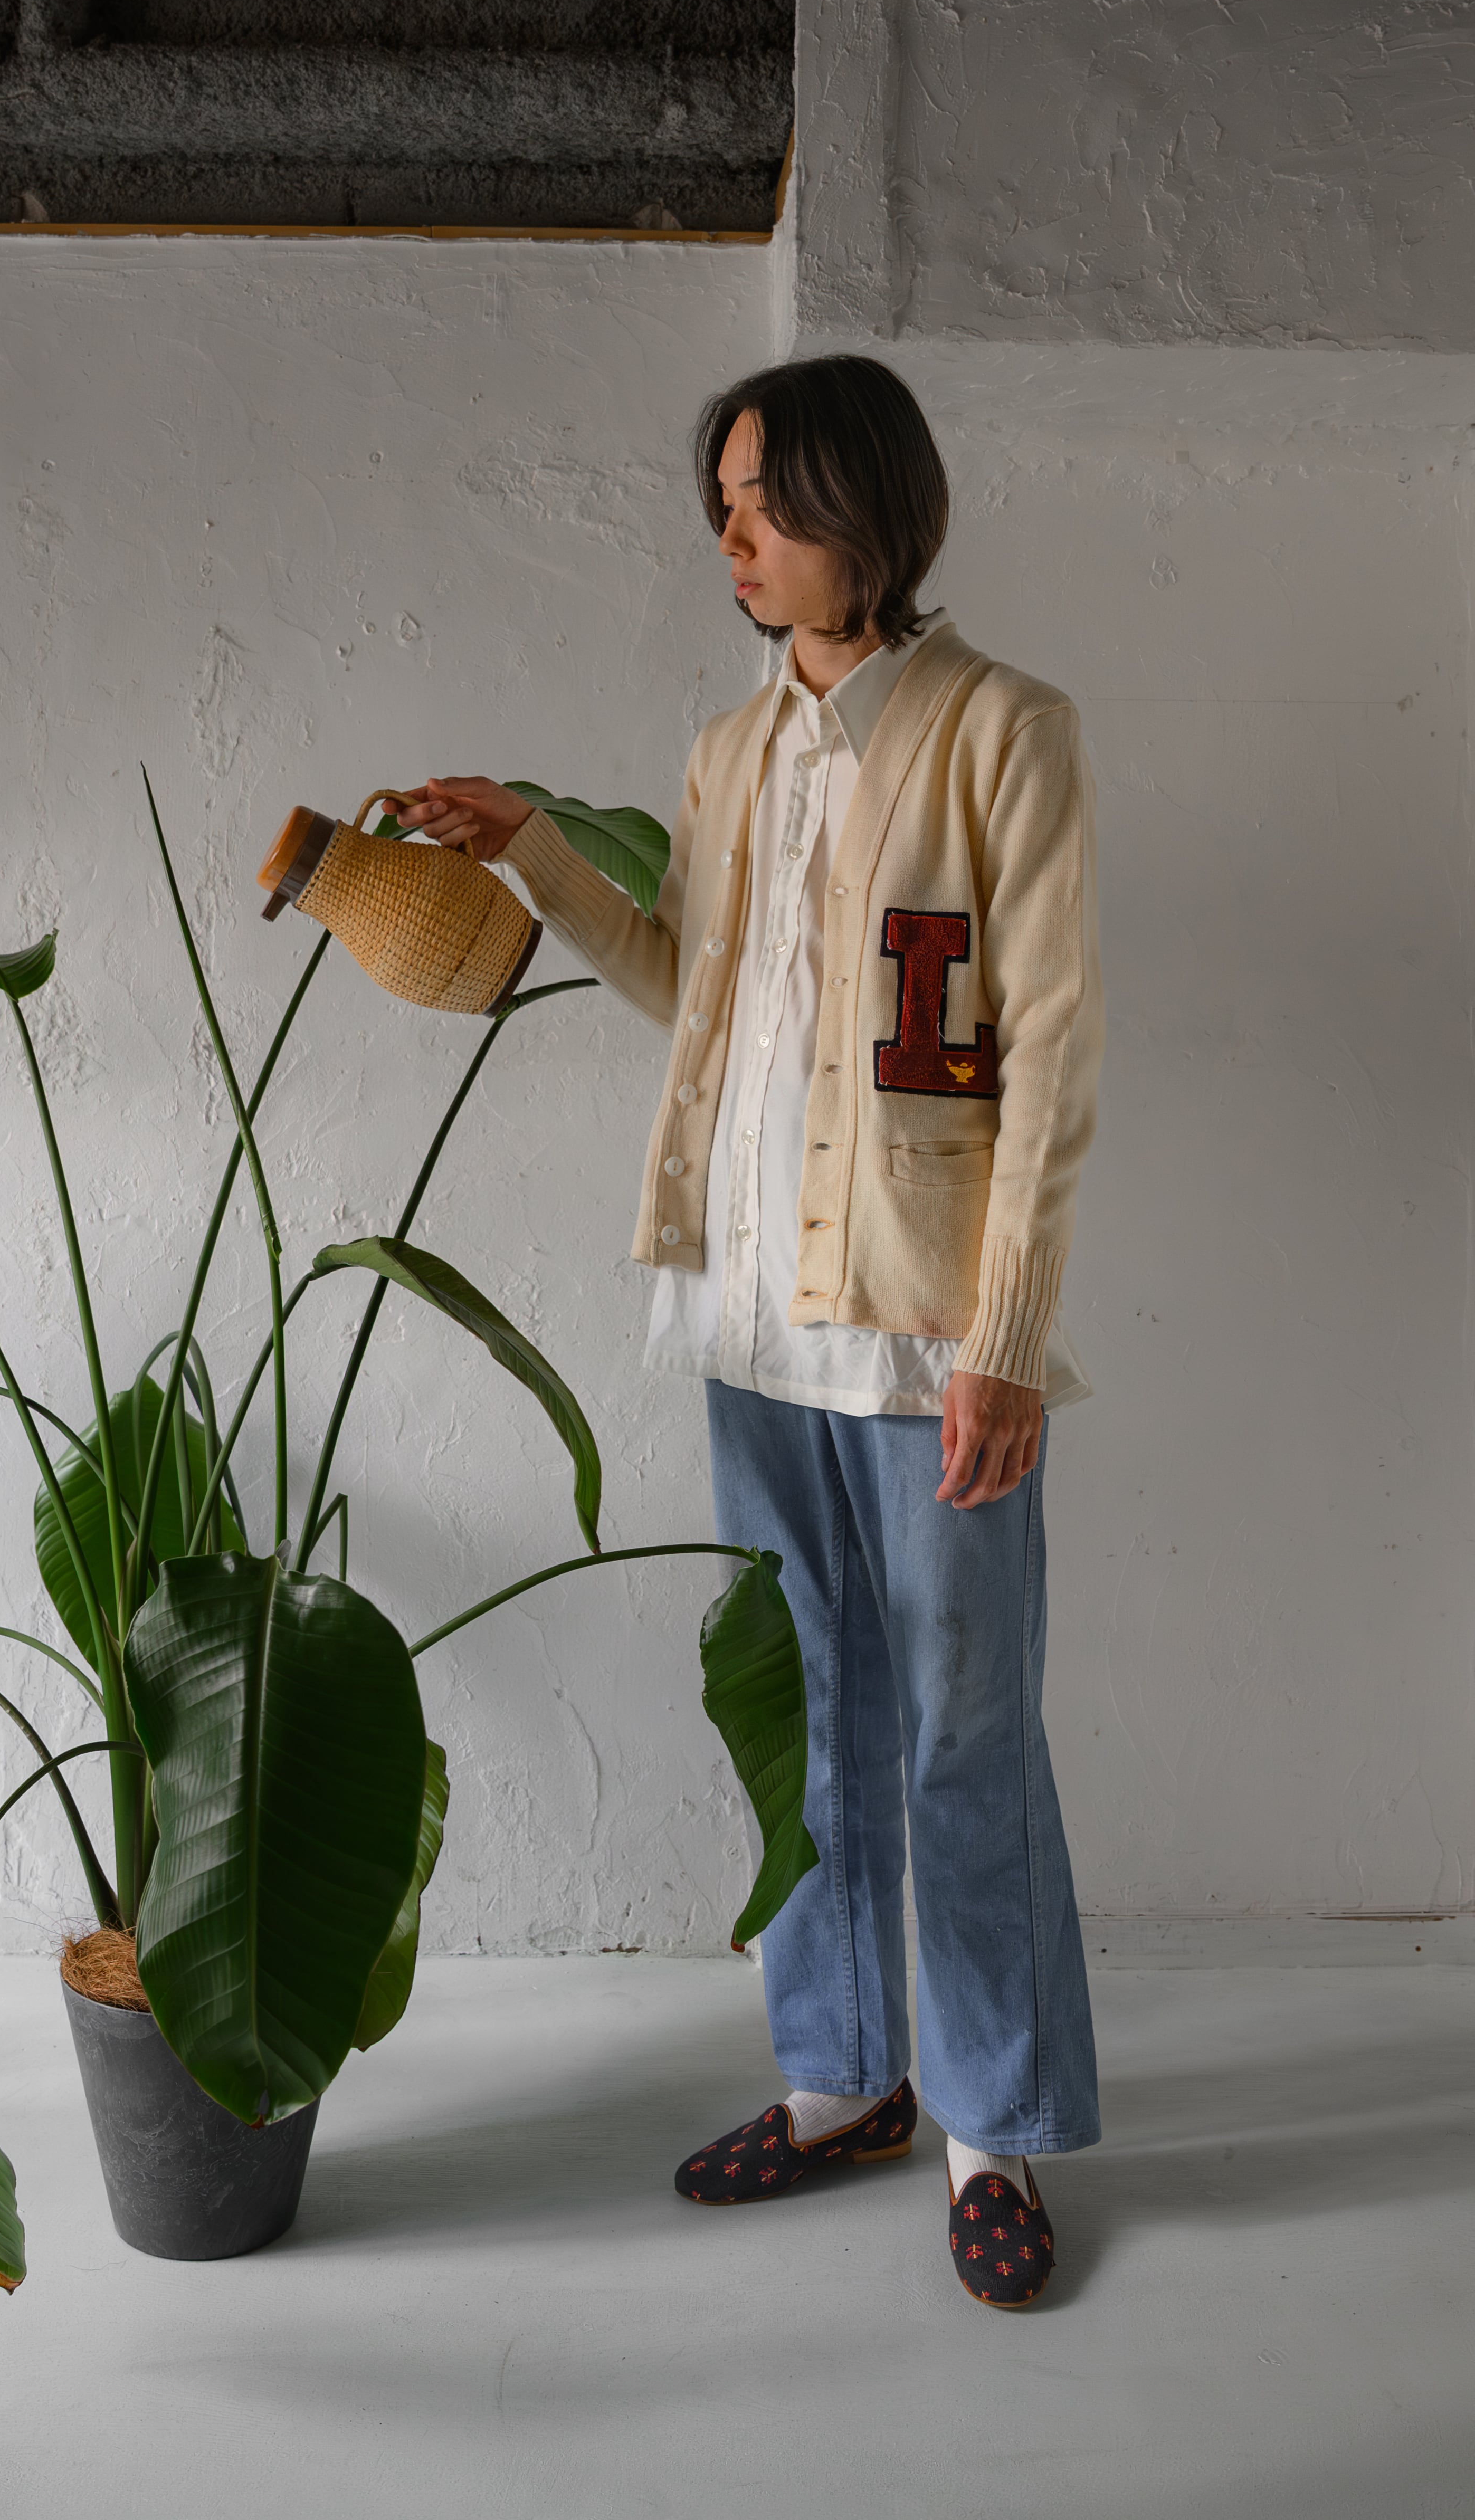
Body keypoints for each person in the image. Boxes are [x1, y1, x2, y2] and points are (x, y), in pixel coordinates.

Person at [392, 353, 1102, 2311]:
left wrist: (1007, 1337)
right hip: (745, 1313)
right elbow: (687, 991)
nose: (734, 540)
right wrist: (532, 850)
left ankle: (993, 2127)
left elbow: (1049, 1055)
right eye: (720, 508)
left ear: (868, 506)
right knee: (808, 1712)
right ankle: (842, 2077)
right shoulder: (725, 757)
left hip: (927, 1333)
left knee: (964, 1725)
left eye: (765, 505)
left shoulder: (1002, 734)